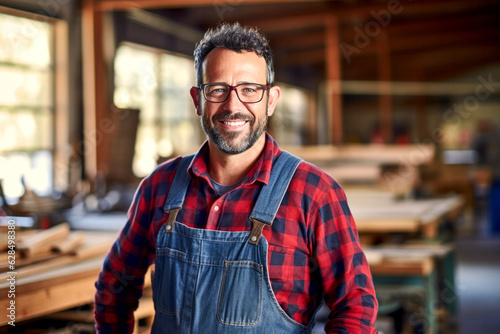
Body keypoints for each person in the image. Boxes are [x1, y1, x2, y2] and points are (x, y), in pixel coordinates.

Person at [94, 22, 378, 333]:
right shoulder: (159, 187)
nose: (233, 106)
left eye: (249, 90)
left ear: (270, 100)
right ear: (197, 99)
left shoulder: (314, 193)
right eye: (217, 89)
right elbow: (115, 286)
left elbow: (355, 306)